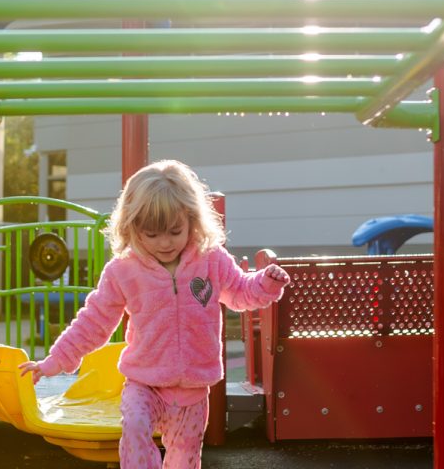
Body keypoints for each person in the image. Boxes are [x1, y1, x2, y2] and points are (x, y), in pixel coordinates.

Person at [19, 160, 291, 468]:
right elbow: (93, 321)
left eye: (175, 231)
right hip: (144, 383)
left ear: (192, 220)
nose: (165, 243)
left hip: (193, 388)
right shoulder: (124, 271)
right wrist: (55, 361)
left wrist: (266, 283)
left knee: (184, 456)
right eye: (152, 234)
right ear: (132, 228)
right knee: (135, 429)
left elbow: (240, 292)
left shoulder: (210, 260)